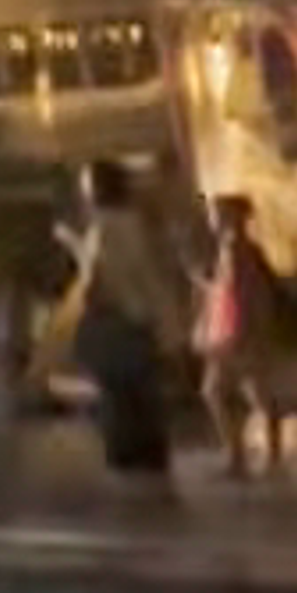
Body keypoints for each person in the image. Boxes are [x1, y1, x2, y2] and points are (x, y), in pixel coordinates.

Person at [58, 156, 189, 484]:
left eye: (88, 184)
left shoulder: (107, 227)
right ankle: (151, 463)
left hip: (119, 324)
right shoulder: (137, 225)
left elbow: (101, 277)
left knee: (122, 398)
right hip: (141, 324)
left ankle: (134, 465)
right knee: (142, 397)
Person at [193, 188, 291, 480]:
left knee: (218, 392)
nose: (212, 217)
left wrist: (233, 331)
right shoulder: (241, 248)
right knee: (254, 392)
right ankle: (268, 456)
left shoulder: (236, 249)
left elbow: (239, 294)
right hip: (246, 332)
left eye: (217, 212)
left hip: (239, 334)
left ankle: (239, 456)